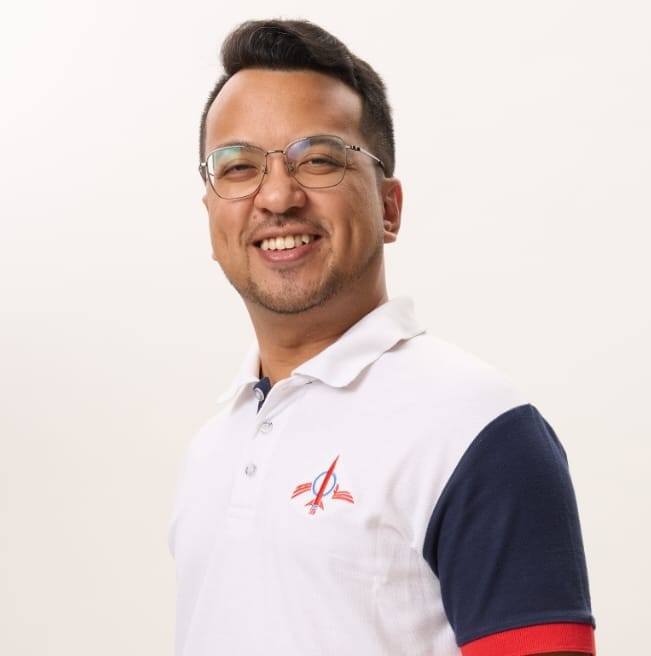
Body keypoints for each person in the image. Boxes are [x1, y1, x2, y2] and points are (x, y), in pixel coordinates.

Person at [167, 18, 597, 656]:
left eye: (318, 159)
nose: (277, 196)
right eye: (239, 167)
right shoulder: (212, 446)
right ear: (211, 214)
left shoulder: (479, 428)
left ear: (389, 208)